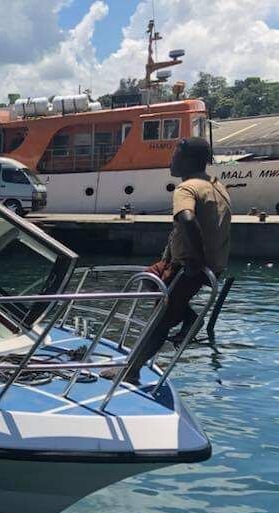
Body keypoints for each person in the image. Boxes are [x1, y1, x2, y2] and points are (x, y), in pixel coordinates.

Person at [102, 136, 231, 384]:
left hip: (189, 266)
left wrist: (196, 259)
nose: (171, 160)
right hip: (200, 264)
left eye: (175, 155)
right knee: (150, 277)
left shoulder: (187, 188)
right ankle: (189, 315)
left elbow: (187, 218)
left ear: (188, 159)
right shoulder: (216, 185)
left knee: (161, 319)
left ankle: (131, 371)